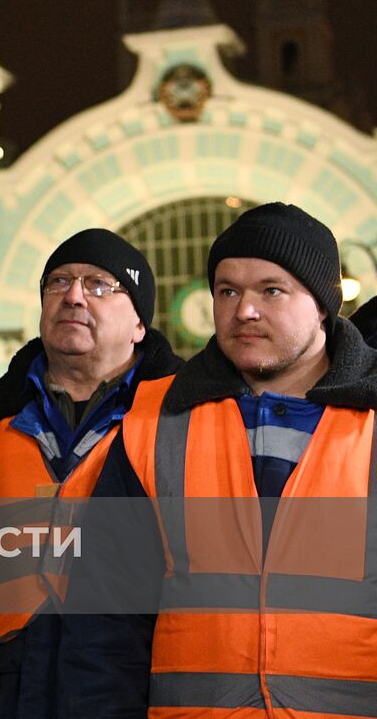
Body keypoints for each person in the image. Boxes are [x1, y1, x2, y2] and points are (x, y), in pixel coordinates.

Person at [59, 203, 377, 718]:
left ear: (322, 304)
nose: (243, 310)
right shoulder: (155, 420)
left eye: (271, 290)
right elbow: (105, 619)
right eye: (228, 291)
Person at [0, 229, 182, 718]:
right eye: (58, 283)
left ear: (139, 324)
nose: (72, 295)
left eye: (99, 285)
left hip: (133, 690)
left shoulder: (182, 425)